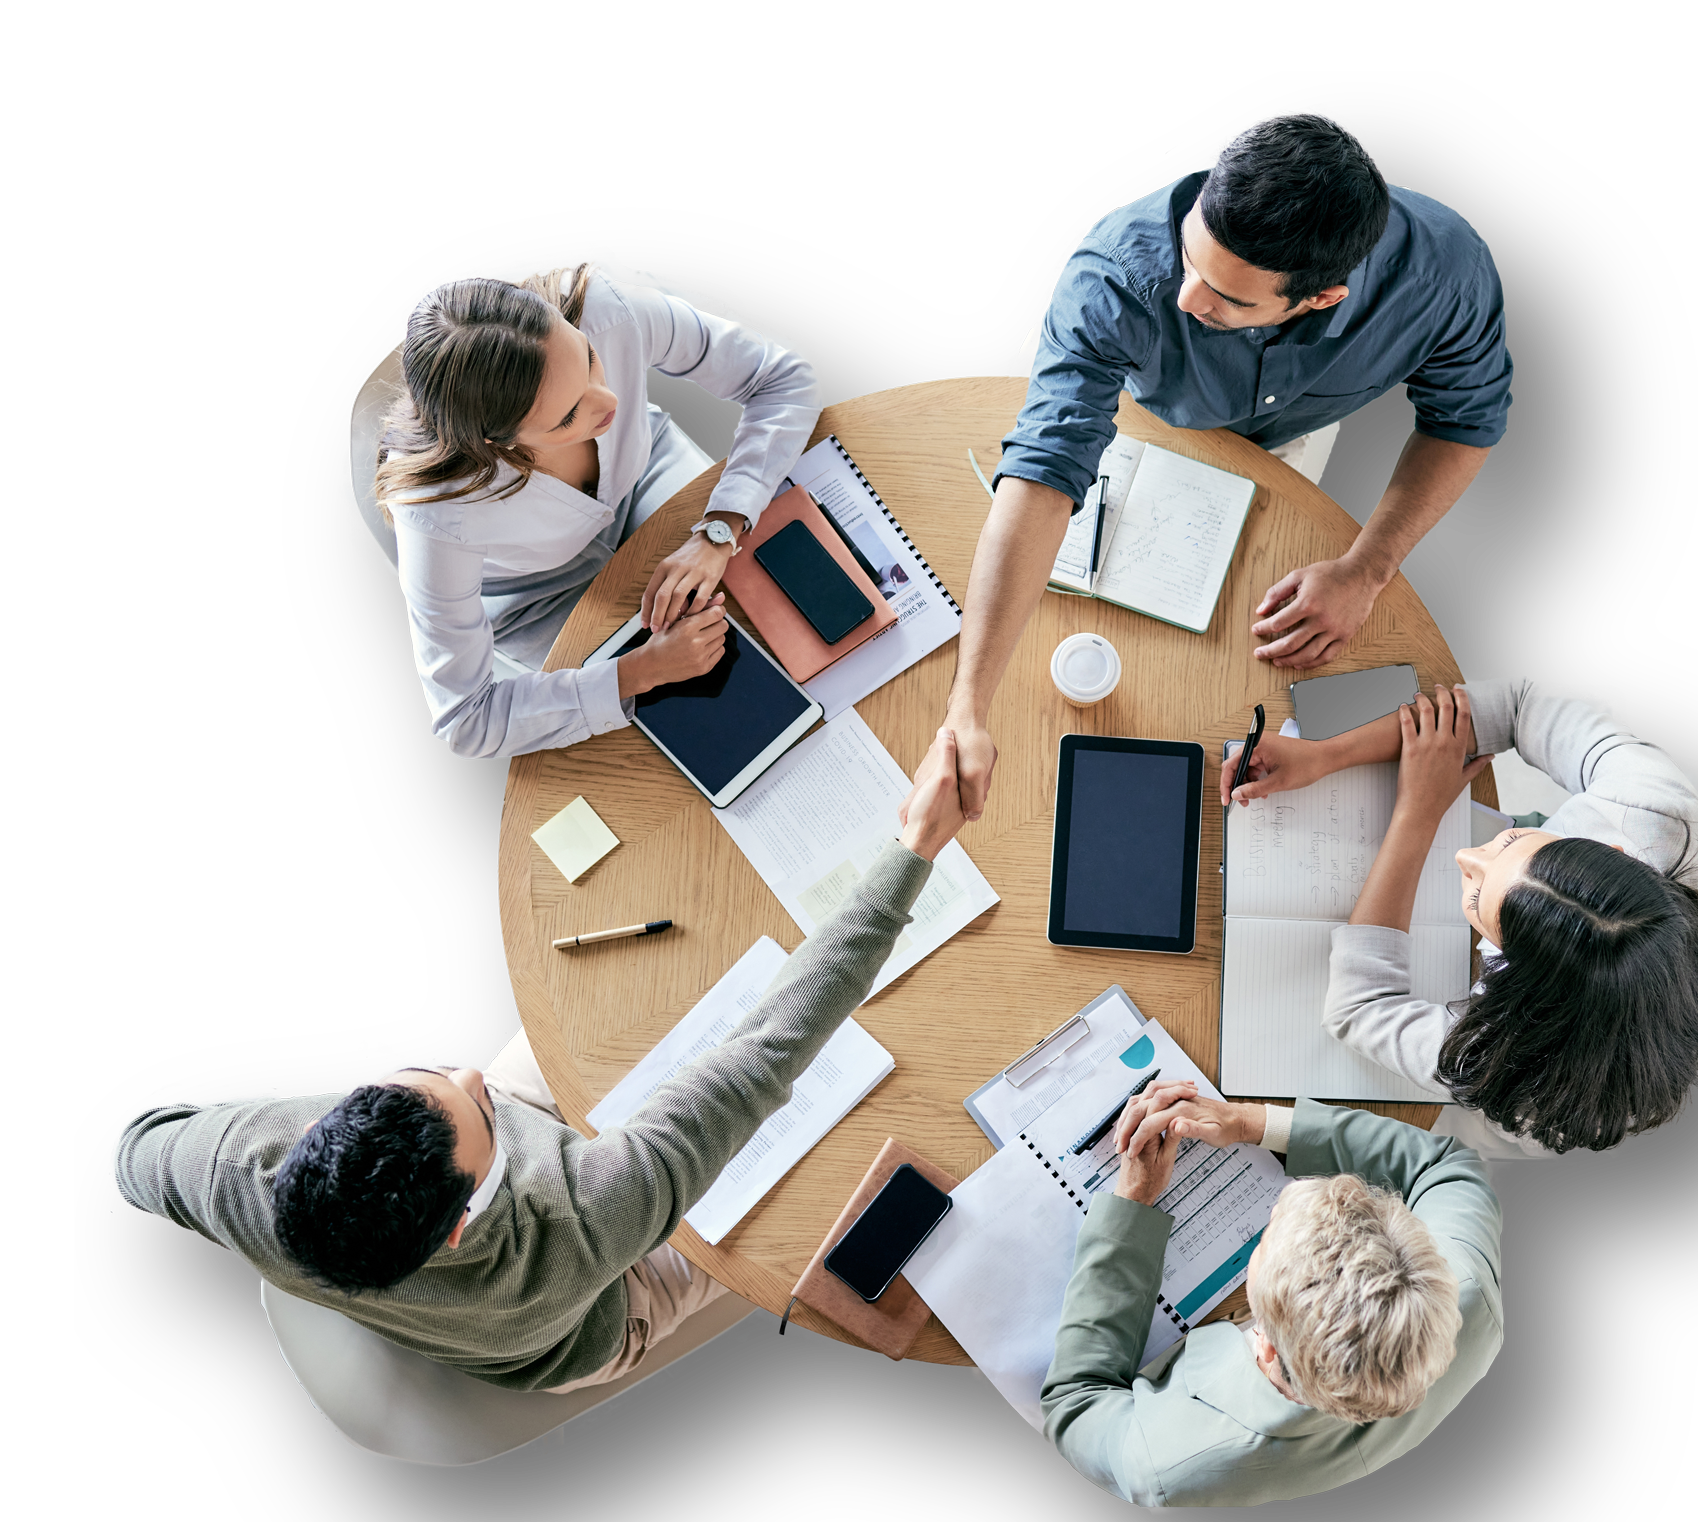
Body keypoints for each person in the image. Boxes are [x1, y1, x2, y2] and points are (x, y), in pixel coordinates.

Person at [109, 733, 967, 1391]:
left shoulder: (231, 1171)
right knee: (790, 1203)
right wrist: (916, 852)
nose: (473, 1076)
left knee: (639, 1000)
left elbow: (133, 1151)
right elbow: (769, 1051)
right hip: (594, 1318)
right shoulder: (588, 1218)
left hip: (474, 1244)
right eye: (478, 1111)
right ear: (456, 1226)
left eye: (425, 1080)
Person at [911, 106, 1512, 822]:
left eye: (1227, 295)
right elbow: (1046, 467)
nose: (1185, 298)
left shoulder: (1448, 275)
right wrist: (967, 708)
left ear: (1322, 298)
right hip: (1131, 389)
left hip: (1291, 433)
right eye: (1191, 258)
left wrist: (1366, 570)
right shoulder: (1120, 272)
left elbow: (1464, 424)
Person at [1222, 681, 1698, 1158]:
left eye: (1476, 897)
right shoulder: (1651, 802)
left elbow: (1359, 1008)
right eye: (1514, 844)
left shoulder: (1517, 1065)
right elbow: (1521, 705)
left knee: (1444, 1122)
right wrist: (1325, 754)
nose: (1465, 857)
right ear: (1614, 852)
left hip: (1553, 1096)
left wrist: (1418, 813)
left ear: (1515, 978)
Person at [373, 256, 823, 760]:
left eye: (588, 358)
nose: (608, 399)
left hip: (644, 475)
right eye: (567, 416)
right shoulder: (435, 510)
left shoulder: (601, 308)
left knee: (795, 607)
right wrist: (639, 671)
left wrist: (721, 526)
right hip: (536, 594)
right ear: (494, 443)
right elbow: (467, 720)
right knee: (705, 730)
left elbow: (783, 378)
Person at [1040, 1080, 1501, 1507]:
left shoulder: (1163, 1464)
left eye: (1266, 1235)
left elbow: (1074, 1402)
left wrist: (1133, 1203)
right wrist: (1252, 1122)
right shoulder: (1470, 1294)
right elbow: (1449, 1165)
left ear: (1263, 1343)